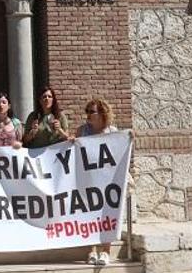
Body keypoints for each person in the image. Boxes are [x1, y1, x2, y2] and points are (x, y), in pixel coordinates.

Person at [72, 99, 119, 266]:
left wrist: (129, 138)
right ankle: (91, 250)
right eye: (88, 111)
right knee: (88, 214)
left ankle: (105, 252)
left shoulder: (112, 132)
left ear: (102, 114)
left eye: (92, 112)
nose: (89, 115)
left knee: (107, 214)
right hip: (87, 179)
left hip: (107, 181)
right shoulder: (82, 131)